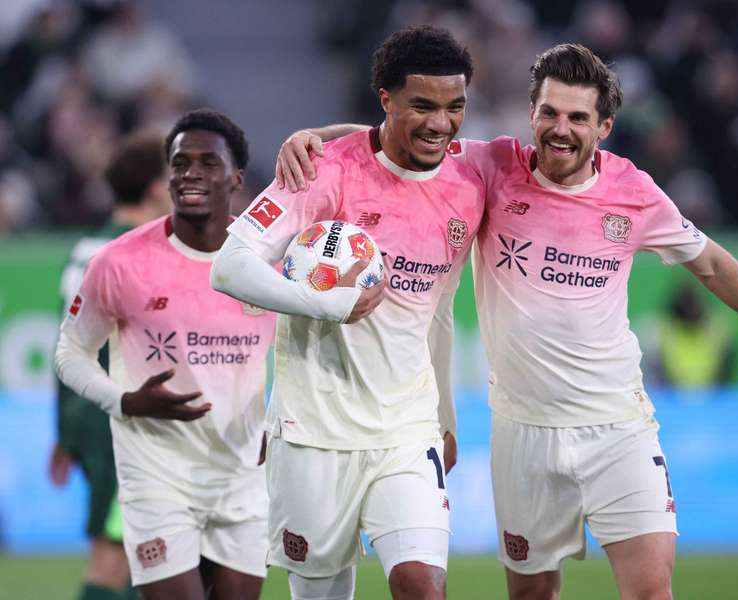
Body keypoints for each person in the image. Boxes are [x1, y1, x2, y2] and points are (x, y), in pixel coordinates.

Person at [276, 43, 738, 600]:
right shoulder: (491, 166)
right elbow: (408, 132)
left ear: (605, 126)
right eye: (549, 113)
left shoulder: (634, 193)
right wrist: (317, 138)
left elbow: (712, 264)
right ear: (532, 114)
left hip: (618, 425)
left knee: (650, 592)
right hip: (522, 433)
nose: (560, 129)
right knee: (533, 594)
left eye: (577, 117)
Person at [209, 26, 483, 600]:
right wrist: (325, 303)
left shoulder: (467, 183)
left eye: (455, 106)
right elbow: (229, 266)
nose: (441, 123)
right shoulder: (320, 171)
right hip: (312, 432)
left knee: (421, 585)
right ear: (385, 99)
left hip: (406, 431)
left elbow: (437, 310)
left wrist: (447, 416)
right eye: (423, 106)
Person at [54, 109, 279, 600]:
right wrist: (125, 400)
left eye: (207, 162)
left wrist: (280, 421)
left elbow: (307, 350)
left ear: (237, 177)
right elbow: (71, 353)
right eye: (179, 163)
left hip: (242, 477)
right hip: (156, 478)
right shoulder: (117, 262)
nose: (190, 173)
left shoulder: (268, 260)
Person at [49, 130, 170, 600]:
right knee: (118, 553)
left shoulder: (86, 246)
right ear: (156, 186)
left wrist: (64, 431)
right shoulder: (133, 253)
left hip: (88, 414)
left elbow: (65, 346)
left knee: (149, 553)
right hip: (120, 418)